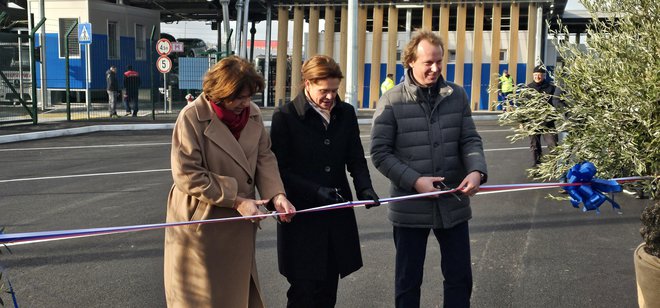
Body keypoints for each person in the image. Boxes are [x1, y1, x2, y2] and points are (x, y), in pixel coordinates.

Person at [163, 55, 296, 308]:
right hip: (203, 220)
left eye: (250, 97)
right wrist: (235, 200)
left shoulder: (252, 114)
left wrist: (277, 195)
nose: (245, 103)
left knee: (237, 294)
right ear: (220, 93)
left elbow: (264, 157)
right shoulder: (191, 117)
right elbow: (187, 173)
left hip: (239, 221)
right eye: (239, 97)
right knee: (204, 297)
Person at [370, 30, 488, 308]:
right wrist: (415, 182)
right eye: (428, 63)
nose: (435, 68)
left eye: (439, 62)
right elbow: (380, 153)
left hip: (453, 202)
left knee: (460, 278)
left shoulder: (456, 95)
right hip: (410, 206)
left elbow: (470, 139)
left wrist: (477, 171)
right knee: (408, 281)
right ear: (410, 61)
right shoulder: (392, 100)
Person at [270, 55, 380, 308]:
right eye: (324, 91)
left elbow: (355, 158)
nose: (330, 97)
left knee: (329, 291)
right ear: (307, 83)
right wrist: (315, 191)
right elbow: (279, 170)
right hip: (301, 218)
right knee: (304, 292)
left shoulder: (346, 113)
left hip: (336, 216)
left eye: (335, 90)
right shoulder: (285, 117)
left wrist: (365, 187)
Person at [527, 65, 558, 166]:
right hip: (533, 122)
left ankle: (554, 166)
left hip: (548, 122)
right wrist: (523, 121)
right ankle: (536, 165)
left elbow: (557, 102)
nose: (537, 77)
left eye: (539, 75)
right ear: (533, 75)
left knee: (553, 144)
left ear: (544, 75)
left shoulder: (551, 88)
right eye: (535, 75)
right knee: (534, 145)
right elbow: (523, 105)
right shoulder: (528, 88)